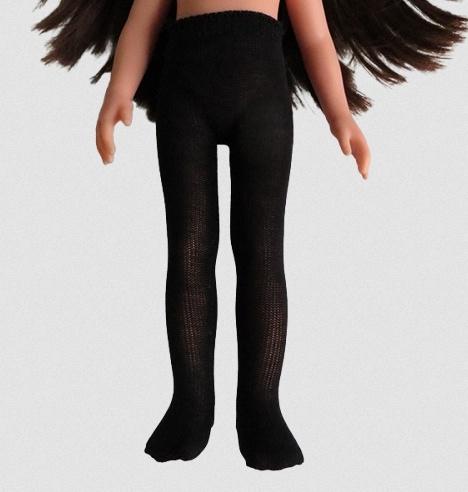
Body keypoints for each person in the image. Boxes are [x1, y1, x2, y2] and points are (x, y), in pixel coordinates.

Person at [33, 0, 467, 471]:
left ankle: (262, 407)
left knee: (262, 255)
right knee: (189, 251)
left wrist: (339, 114)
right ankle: (190, 403)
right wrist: (117, 93)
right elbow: (142, 21)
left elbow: (316, 38)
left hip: (261, 101)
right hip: (185, 100)